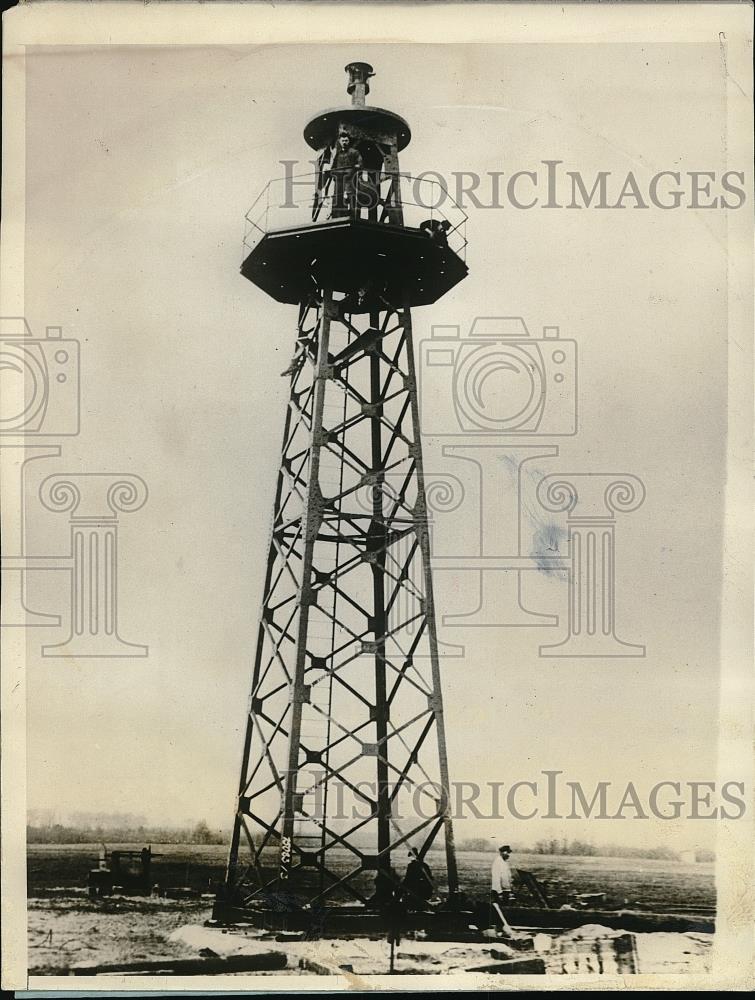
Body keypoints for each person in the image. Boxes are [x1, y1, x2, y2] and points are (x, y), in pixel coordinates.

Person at [328, 129, 363, 217]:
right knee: (337, 199)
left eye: (346, 140)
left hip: (350, 179)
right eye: (343, 141)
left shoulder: (354, 152)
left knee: (351, 197)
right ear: (340, 142)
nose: (344, 142)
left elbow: (360, 164)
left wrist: (355, 167)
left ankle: (353, 216)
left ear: (349, 141)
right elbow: (333, 167)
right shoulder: (338, 154)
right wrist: (333, 174)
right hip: (339, 180)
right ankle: (337, 216)